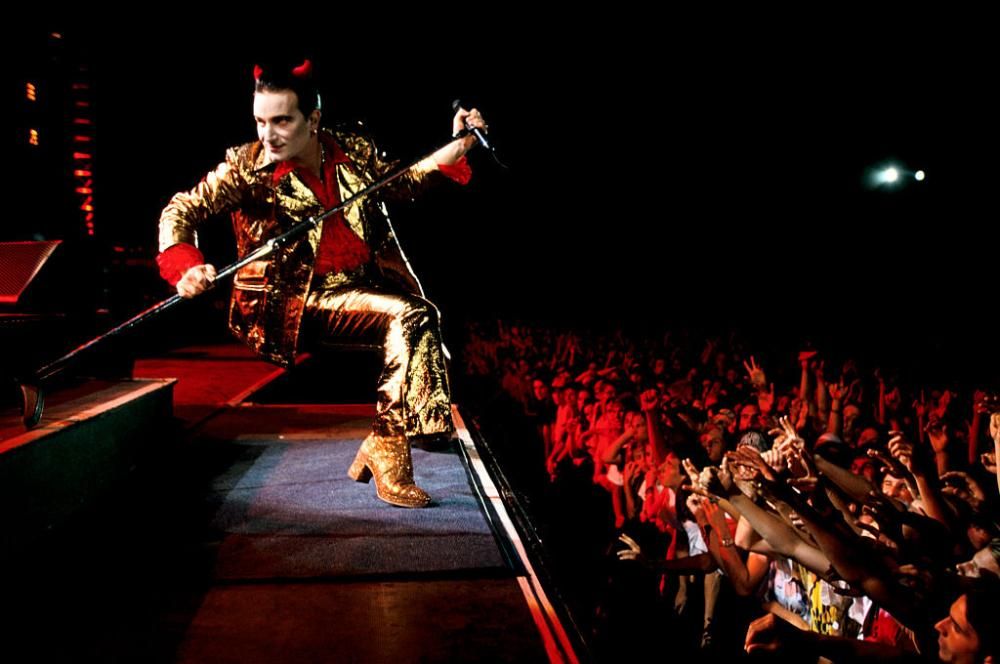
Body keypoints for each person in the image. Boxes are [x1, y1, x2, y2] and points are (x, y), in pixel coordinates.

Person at [156, 58, 487, 508]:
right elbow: (181, 210)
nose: (268, 135)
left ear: (312, 120)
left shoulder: (350, 149)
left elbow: (405, 180)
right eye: (260, 122)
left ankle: (423, 426)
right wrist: (185, 265)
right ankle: (388, 445)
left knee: (420, 316)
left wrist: (460, 143)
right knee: (410, 315)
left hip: (359, 288)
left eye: (281, 121)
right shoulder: (245, 169)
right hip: (294, 303)